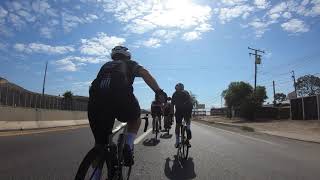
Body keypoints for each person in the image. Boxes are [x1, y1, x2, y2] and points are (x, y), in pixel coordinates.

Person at [88, 46, 167, 169]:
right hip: (121, 97)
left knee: (99, 144)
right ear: (127, 56)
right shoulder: (129, 63)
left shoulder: (105, 66)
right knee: (135, 119)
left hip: (96, 102)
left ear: (113, 56)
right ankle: (129, 145)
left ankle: (95, 175)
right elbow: (144, 73)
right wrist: (158, 91)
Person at [171, 83, 193, 148]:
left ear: (176, 88)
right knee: (188, 120)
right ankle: (188, 128)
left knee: (178, 125)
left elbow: (172, 106)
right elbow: (190, 102)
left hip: (179, 111)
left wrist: (171, 114)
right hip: (187, 109)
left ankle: (177, 142)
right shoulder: (186, 92)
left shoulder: (174, 94)